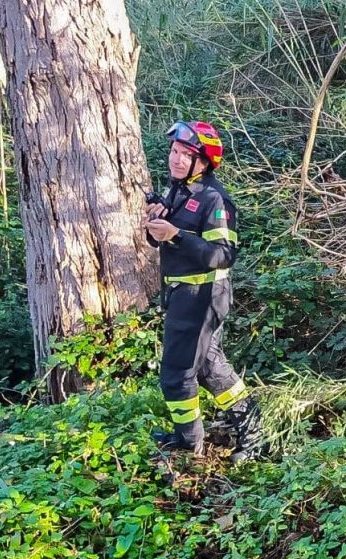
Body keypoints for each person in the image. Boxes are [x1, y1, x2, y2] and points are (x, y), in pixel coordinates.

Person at [142, 120, 265, 464]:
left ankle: (188, 445)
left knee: (176, 375)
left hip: (202, 298)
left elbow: (223, 255)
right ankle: (254, 434)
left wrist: (176, 235)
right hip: (182, 295)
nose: (176, 159)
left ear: (204, 162)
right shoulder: (179, 189)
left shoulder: (214, 199)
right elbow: (161, 239)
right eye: (174, 151)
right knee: (210, 368)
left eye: (186, 155)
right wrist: (158, 224)